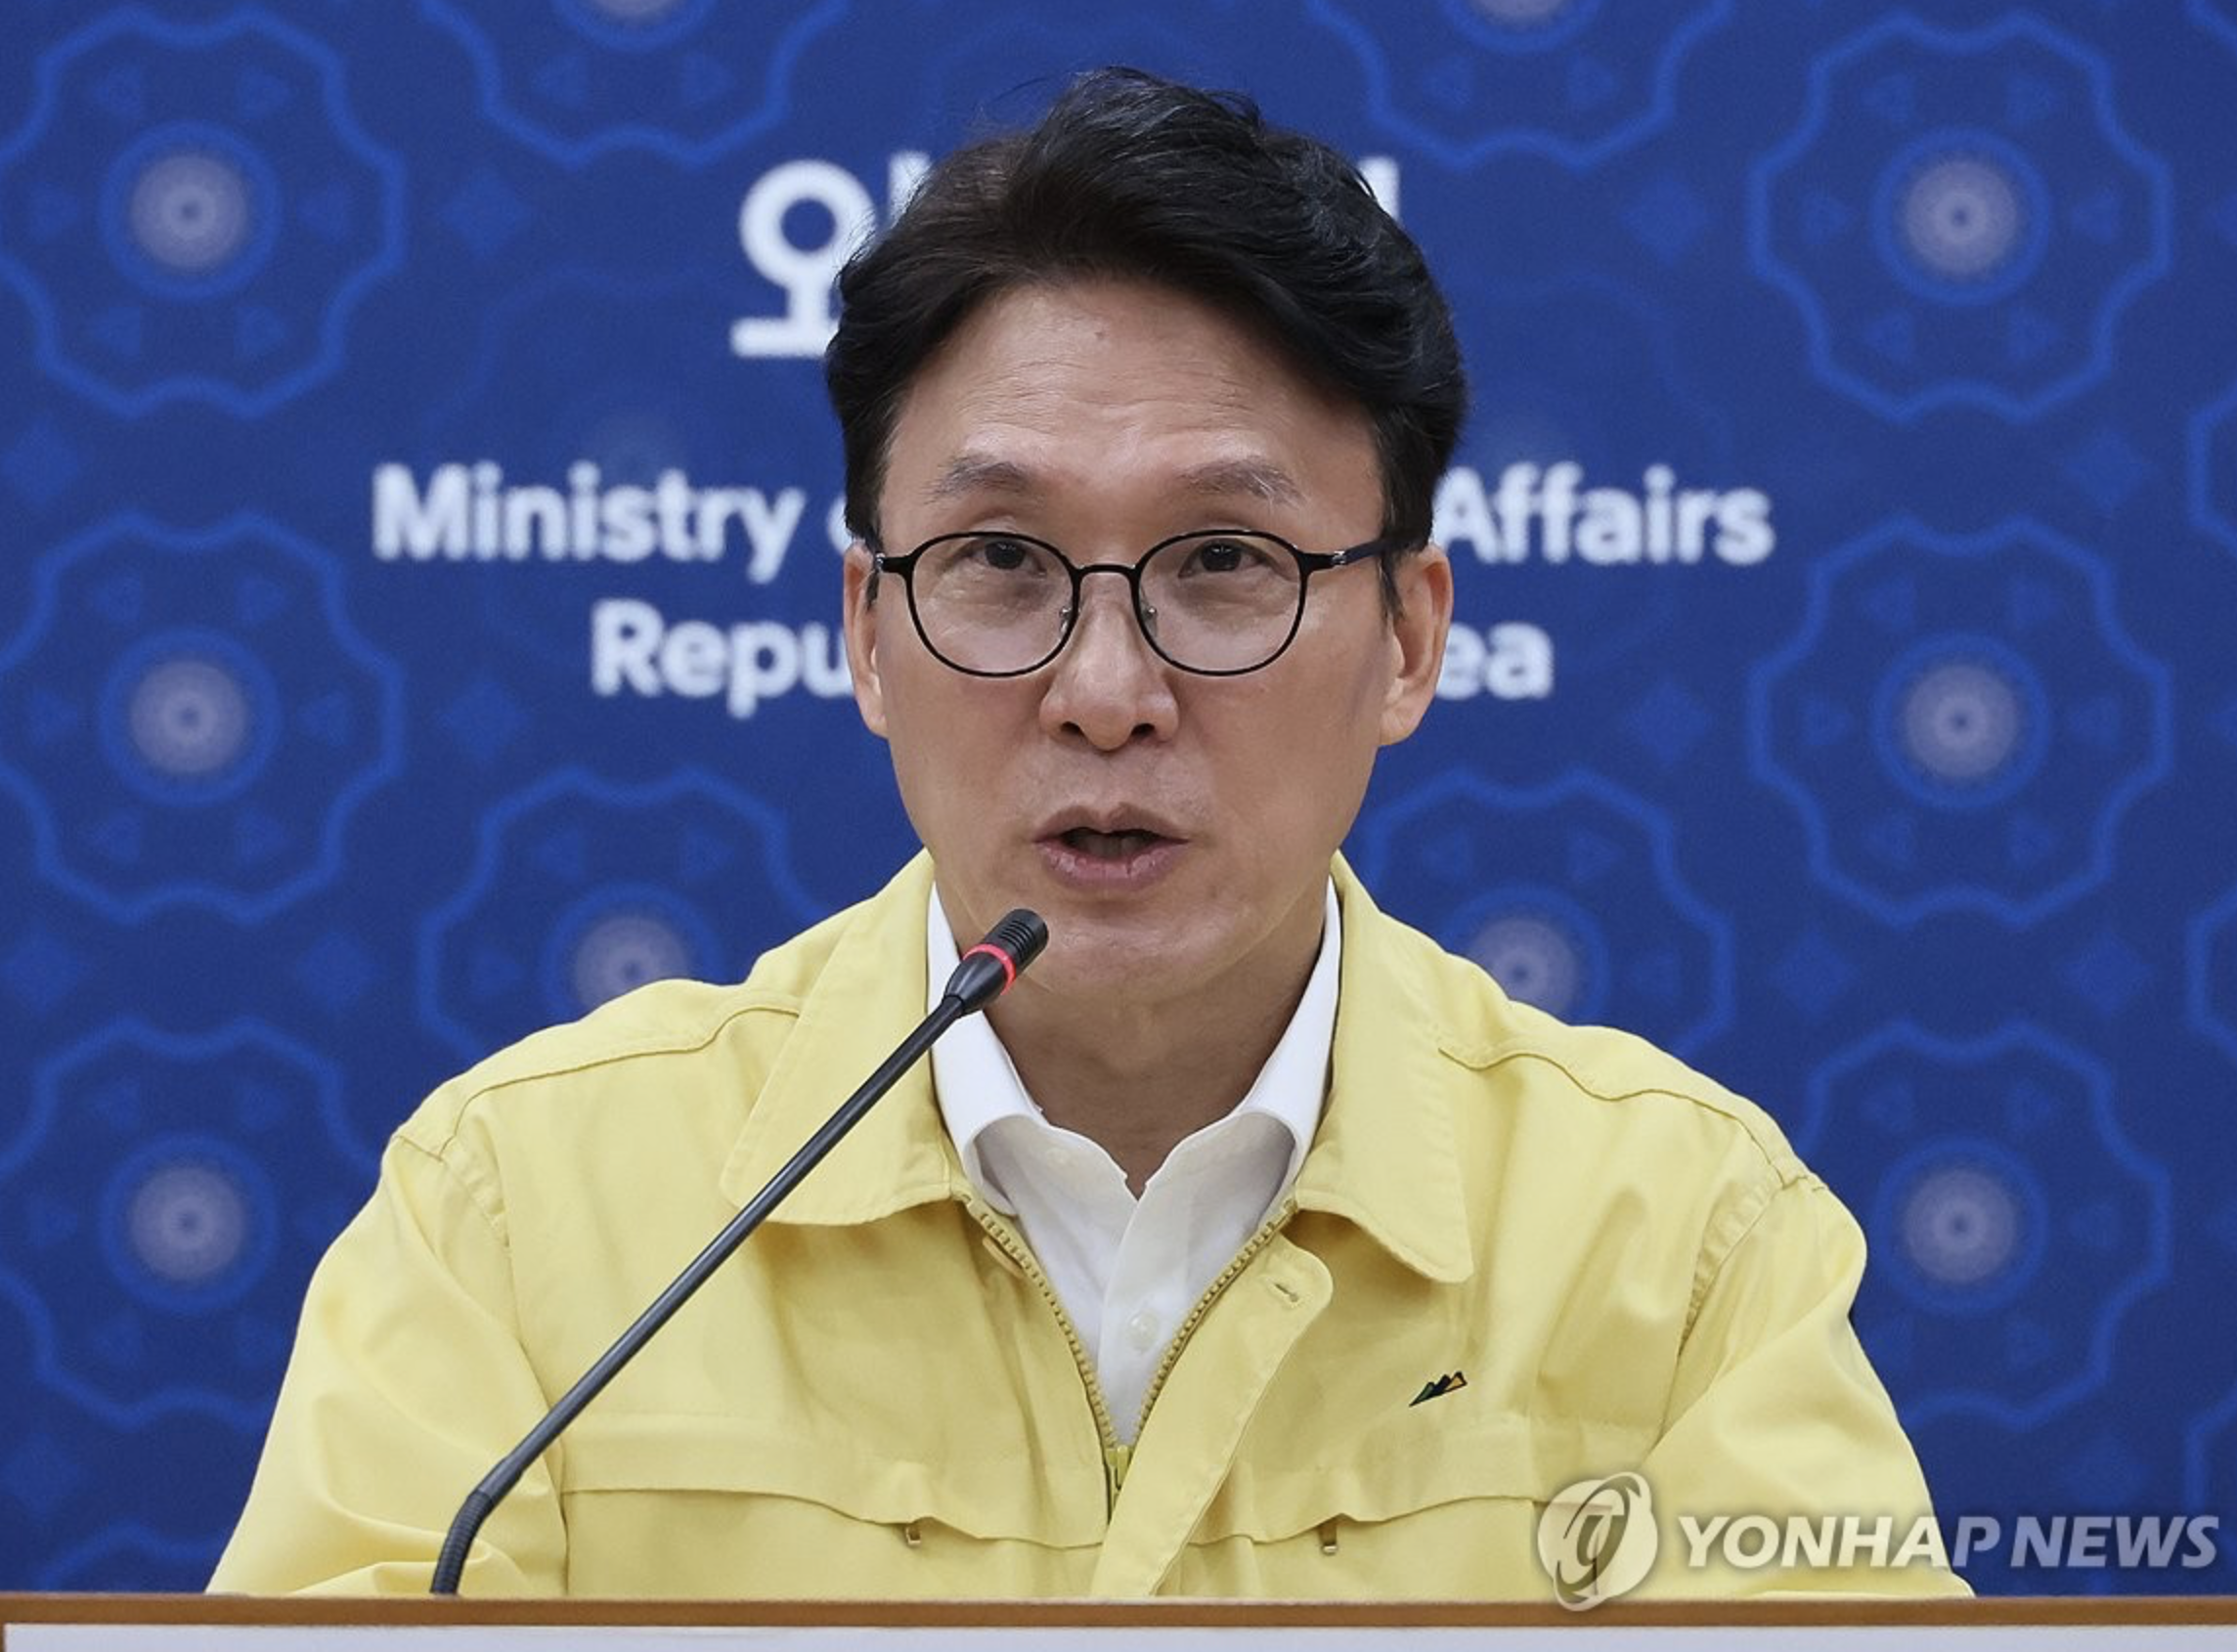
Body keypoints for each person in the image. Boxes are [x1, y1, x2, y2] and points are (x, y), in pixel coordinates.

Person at [211, 68, 1964, 1599]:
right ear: (866, 632)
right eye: (1001, 561)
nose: (1106, 691)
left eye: (1225, 560)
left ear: (1411, 639)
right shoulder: (525, 1222)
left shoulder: (1677, 1249)